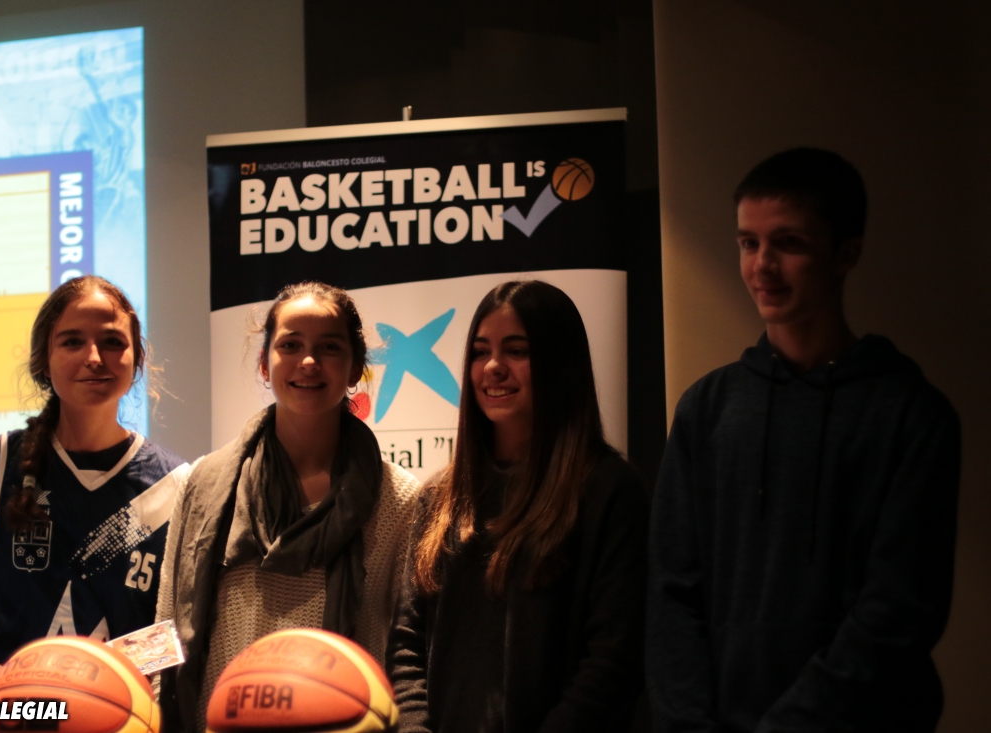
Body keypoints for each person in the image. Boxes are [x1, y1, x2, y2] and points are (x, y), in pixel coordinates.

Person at [647, 148, 961, 732]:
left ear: (846, 254)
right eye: (748, 243)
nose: (762, 266)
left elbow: (899, 609)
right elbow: (671, 594)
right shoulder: (706, 409)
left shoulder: (911, 415)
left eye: (788, 243)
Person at [156, 281, 420, 733]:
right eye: (290, 345)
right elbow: (167, 625)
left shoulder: (398, 499)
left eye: (329, 347)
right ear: (265, 363)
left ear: (356, 367)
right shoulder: (203, 483)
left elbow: (407, 651)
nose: (308, 361)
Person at [387, 280, 649, 733]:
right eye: (480, 352)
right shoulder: (440, 496)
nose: (493, 367)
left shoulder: (608, 490)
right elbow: (406, 644)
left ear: (559, 364)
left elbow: (614, 659)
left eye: (516, 350)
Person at [0, 275, 187, 730]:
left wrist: (107, 683)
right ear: (44, 361)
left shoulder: (176, 485)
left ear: (137, 359)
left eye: (112, 341)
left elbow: (175, 630)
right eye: (72, 341)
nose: (94, 357)